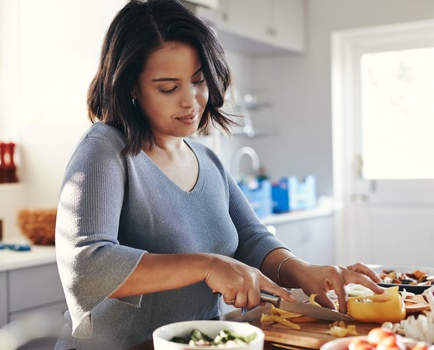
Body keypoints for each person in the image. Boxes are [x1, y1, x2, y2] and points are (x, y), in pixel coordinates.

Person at [54, 1, 383, 348]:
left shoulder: (206, 158)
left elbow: (252, 239)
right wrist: (207, 265)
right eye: (168, 87)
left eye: (198, 81)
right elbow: (86, 266)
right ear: (131, 87)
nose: (191, 101)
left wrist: (302, 270)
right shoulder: (104, 149)